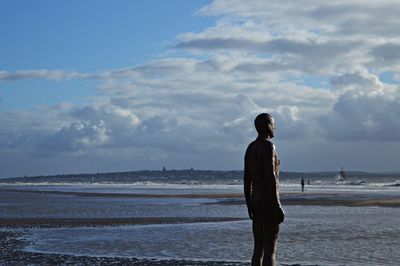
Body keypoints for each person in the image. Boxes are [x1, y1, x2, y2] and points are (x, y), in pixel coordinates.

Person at [244, 113, 284, 266]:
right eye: (273, 125)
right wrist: (277, 205)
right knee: (270, 248)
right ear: (268, 127)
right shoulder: (269, 146)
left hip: (256, 201)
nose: (275, 128)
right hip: (268, 202)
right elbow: (271, 177)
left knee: (258, 247)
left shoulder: (250, 148)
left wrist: (248, 204)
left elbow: (246, 180)